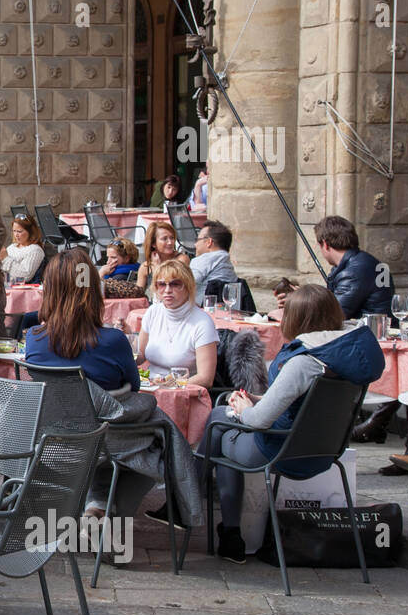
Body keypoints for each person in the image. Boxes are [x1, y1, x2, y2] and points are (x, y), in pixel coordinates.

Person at [194, 284, 385, 562]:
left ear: (298, 319)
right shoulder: (341, 356)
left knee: (220, 421)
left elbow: (259, 422)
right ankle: (213, 520)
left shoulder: (304, 361)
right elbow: (302, 403)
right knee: (224, 423)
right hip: (326, 451)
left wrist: (246, 408)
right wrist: (258, 399)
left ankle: (200, 506)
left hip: (280, 450)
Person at [25, 249, 139, 393]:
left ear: (49, 291)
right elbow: (134, 387)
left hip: (47, 414)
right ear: (94, 291)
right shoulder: (114, 341)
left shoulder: (34, 337)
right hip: (104, 415)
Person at [136, 259, 218, 388]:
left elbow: (205, 378)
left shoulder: (202, 322)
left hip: (183, 391)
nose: (167, 290)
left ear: (188, 286)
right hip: (149, 386)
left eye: (175, 284)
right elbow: (139, 357)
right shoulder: (153, 312)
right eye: (161, 284)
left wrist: (172, 385)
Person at [316, 214, 394, 319]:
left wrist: (300, 302)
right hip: (376, 328)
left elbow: (332, 316)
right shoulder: (365, 261)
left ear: (325, 244)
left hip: (370, 332)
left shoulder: (352, 272)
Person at [189, 219, 238, 304]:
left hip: (201, 311)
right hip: (227, 311)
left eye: (197, 239)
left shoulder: (203, 260)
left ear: (209, 242)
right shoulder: (228, 266)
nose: (195, 244)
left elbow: (183, 284)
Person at [136, 219, 190, 292]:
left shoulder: (181, 259)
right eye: (164, 239)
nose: (170, 242)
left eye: (172, 238)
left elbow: (171, 286)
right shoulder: (146, 267)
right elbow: (138, 293)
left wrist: (157, 268)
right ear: (153, 243)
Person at [1, 212, 45, 283]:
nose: (16, 235)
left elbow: (25, 276)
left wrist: (5, 258)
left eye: (19, 231)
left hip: (23, 290)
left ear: (30, 232)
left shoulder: (35, 250)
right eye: (14, 231)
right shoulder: (12, 247)